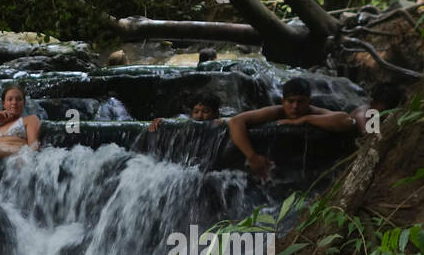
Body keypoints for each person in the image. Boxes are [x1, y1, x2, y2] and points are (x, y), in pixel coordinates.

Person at [228, 77, 356, 181]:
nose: (295, 106)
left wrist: (306, 119)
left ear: (309, 102)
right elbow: (235, 122)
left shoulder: (313, 112)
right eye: (291, 101)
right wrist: (252, 157)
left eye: (300, 101)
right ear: (283, 101)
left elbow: (347, 121)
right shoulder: (276, 112)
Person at [148, 92, 222, 131]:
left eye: (205, 111)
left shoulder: (222, 125)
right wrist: (162, 121)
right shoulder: (185, 121)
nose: (199, 116)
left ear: (216, 114)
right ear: (191, 113)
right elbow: (175, 121)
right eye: (196, 112)